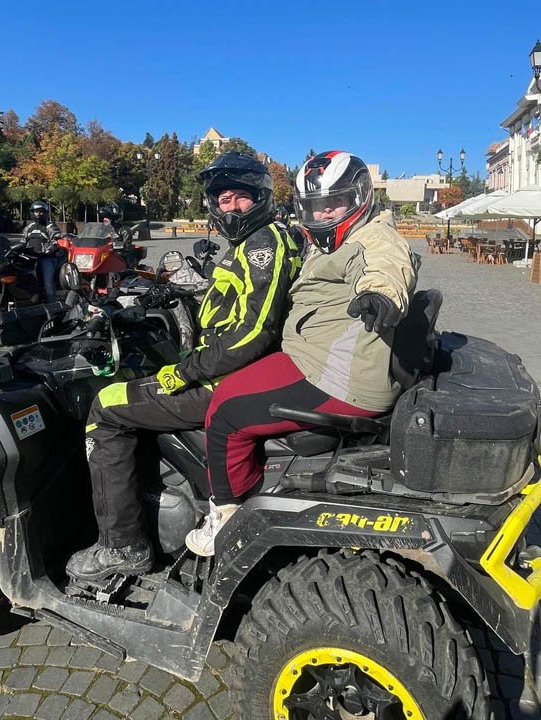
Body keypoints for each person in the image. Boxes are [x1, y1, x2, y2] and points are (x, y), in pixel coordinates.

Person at [65, 151, 301, 581]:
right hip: (241, 372)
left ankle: (121, 545)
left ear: (261, 198)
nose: (232, 207)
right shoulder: (258, 241)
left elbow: (253, 333)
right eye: (224, 199)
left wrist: (185, 372)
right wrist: (176, 293)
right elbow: (235, 302)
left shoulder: (263, 244)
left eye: (241, 197)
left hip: (225, 380)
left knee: (107, 406)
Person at [185, 150, 417, 556]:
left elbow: (386, 267)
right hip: (319, 354)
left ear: (359, 198)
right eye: (314, 207)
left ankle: (227, 514)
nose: (323, 215)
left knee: (224, 411)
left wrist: (380, 295)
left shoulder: (374, 236)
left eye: (334, 204)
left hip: (337, 374)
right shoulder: (330, 240)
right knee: (234, 387)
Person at [22, 200, 65, 304]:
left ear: (46, 213)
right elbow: (23, 242)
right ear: (32, 213)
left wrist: (51, 247)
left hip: (46, 258)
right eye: (36, 211)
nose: (39, 214)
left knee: (48, 283)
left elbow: (57, 238)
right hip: (30, 259)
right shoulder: (29, 227)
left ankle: (53, 306)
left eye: (41, 211)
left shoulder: (50, 226)